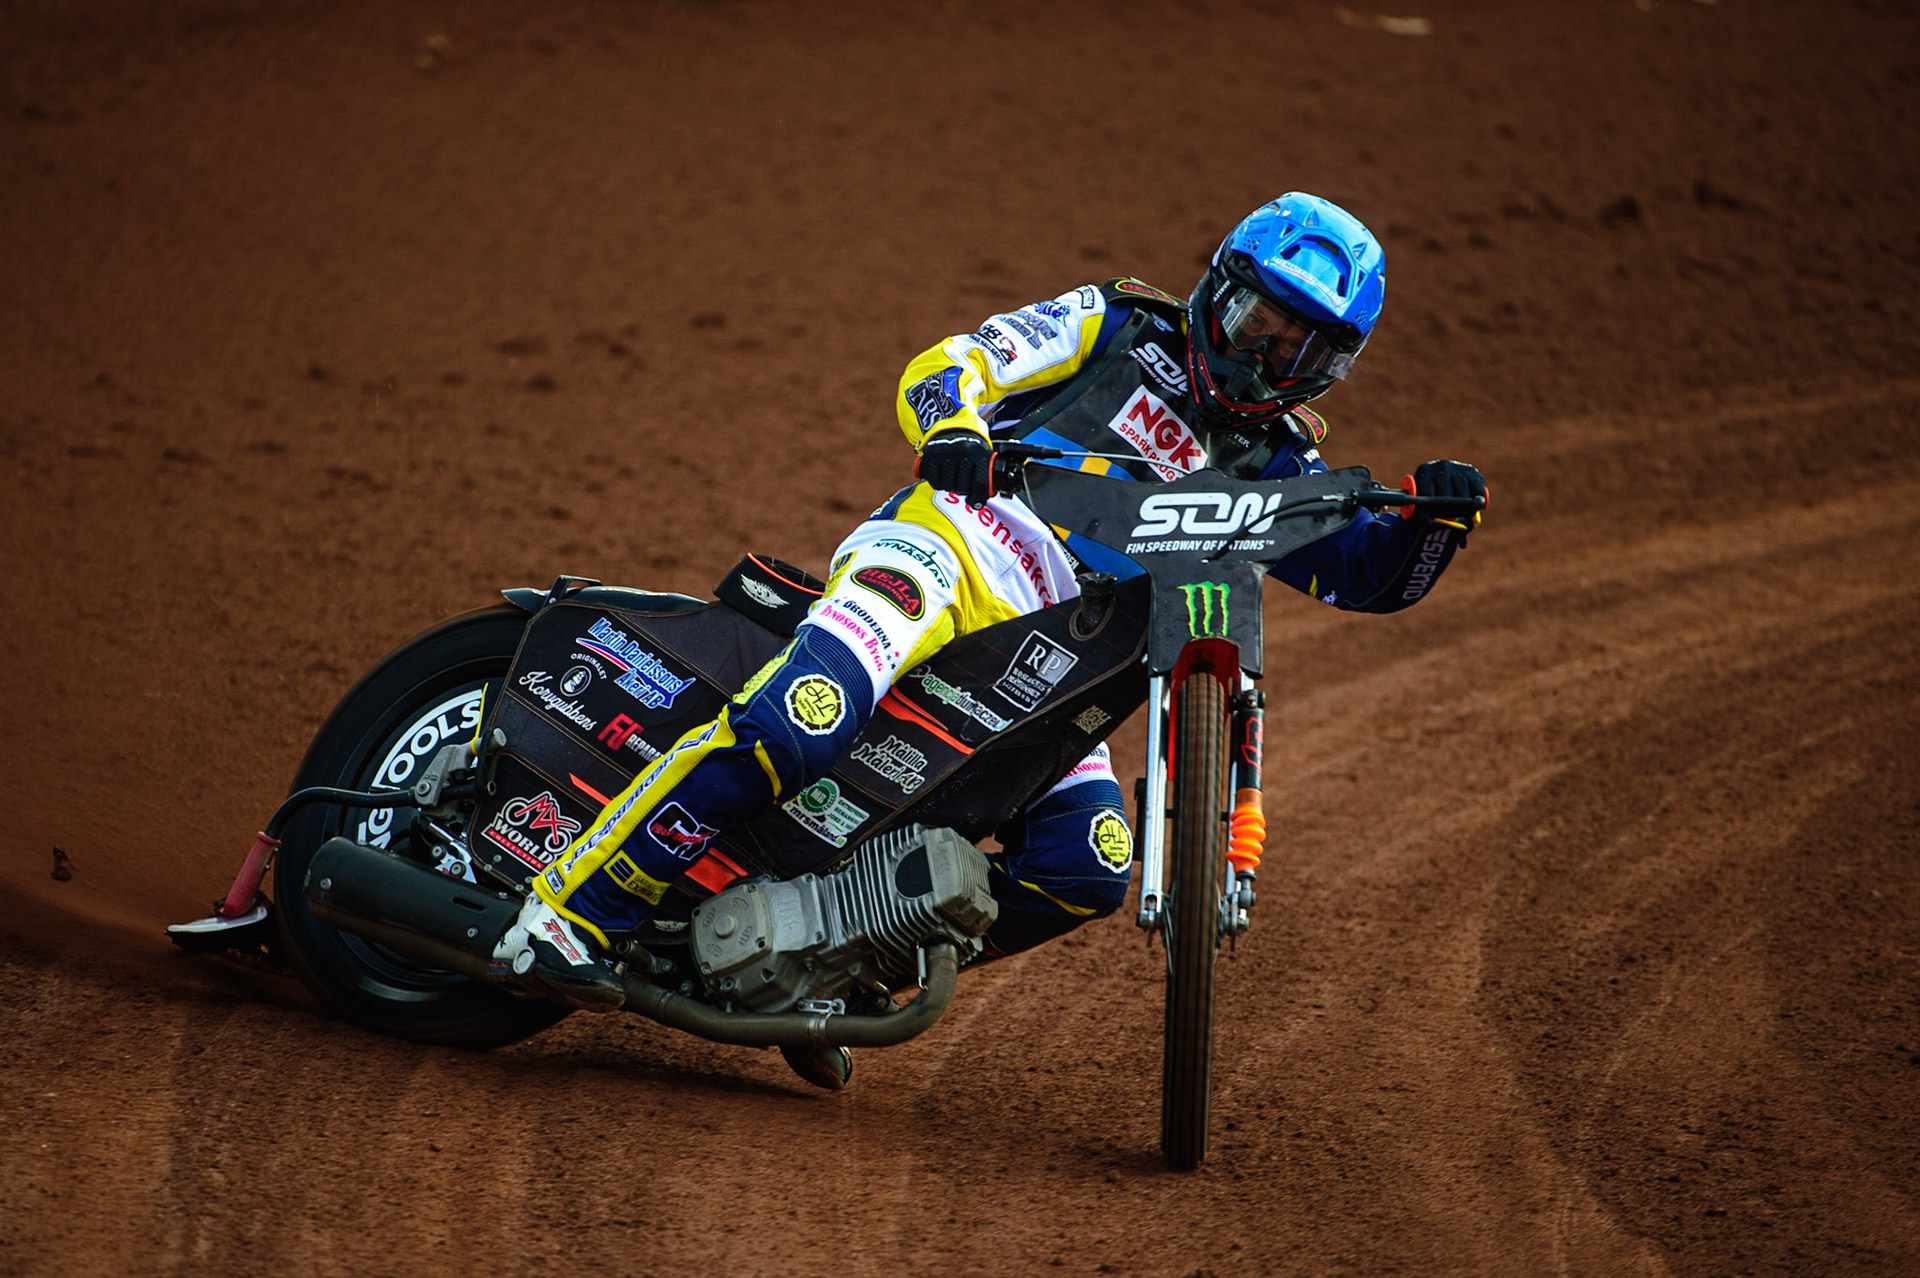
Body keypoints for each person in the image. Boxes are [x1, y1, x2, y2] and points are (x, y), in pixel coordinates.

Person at [492, 192, 1486, 1088]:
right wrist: (951, 430)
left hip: (1056, 667)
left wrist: (1432, 526)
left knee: (1089, 862)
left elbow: (1363, 576)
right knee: (803, 723)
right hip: (947, 553)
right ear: (1217, 286)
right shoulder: (1118, 321)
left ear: (1335, 367)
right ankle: (571, 909)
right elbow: (953, 363)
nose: (1268, 355)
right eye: (1259, 320)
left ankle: (832, 966)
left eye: (1303, 351)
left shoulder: (1282, 465)